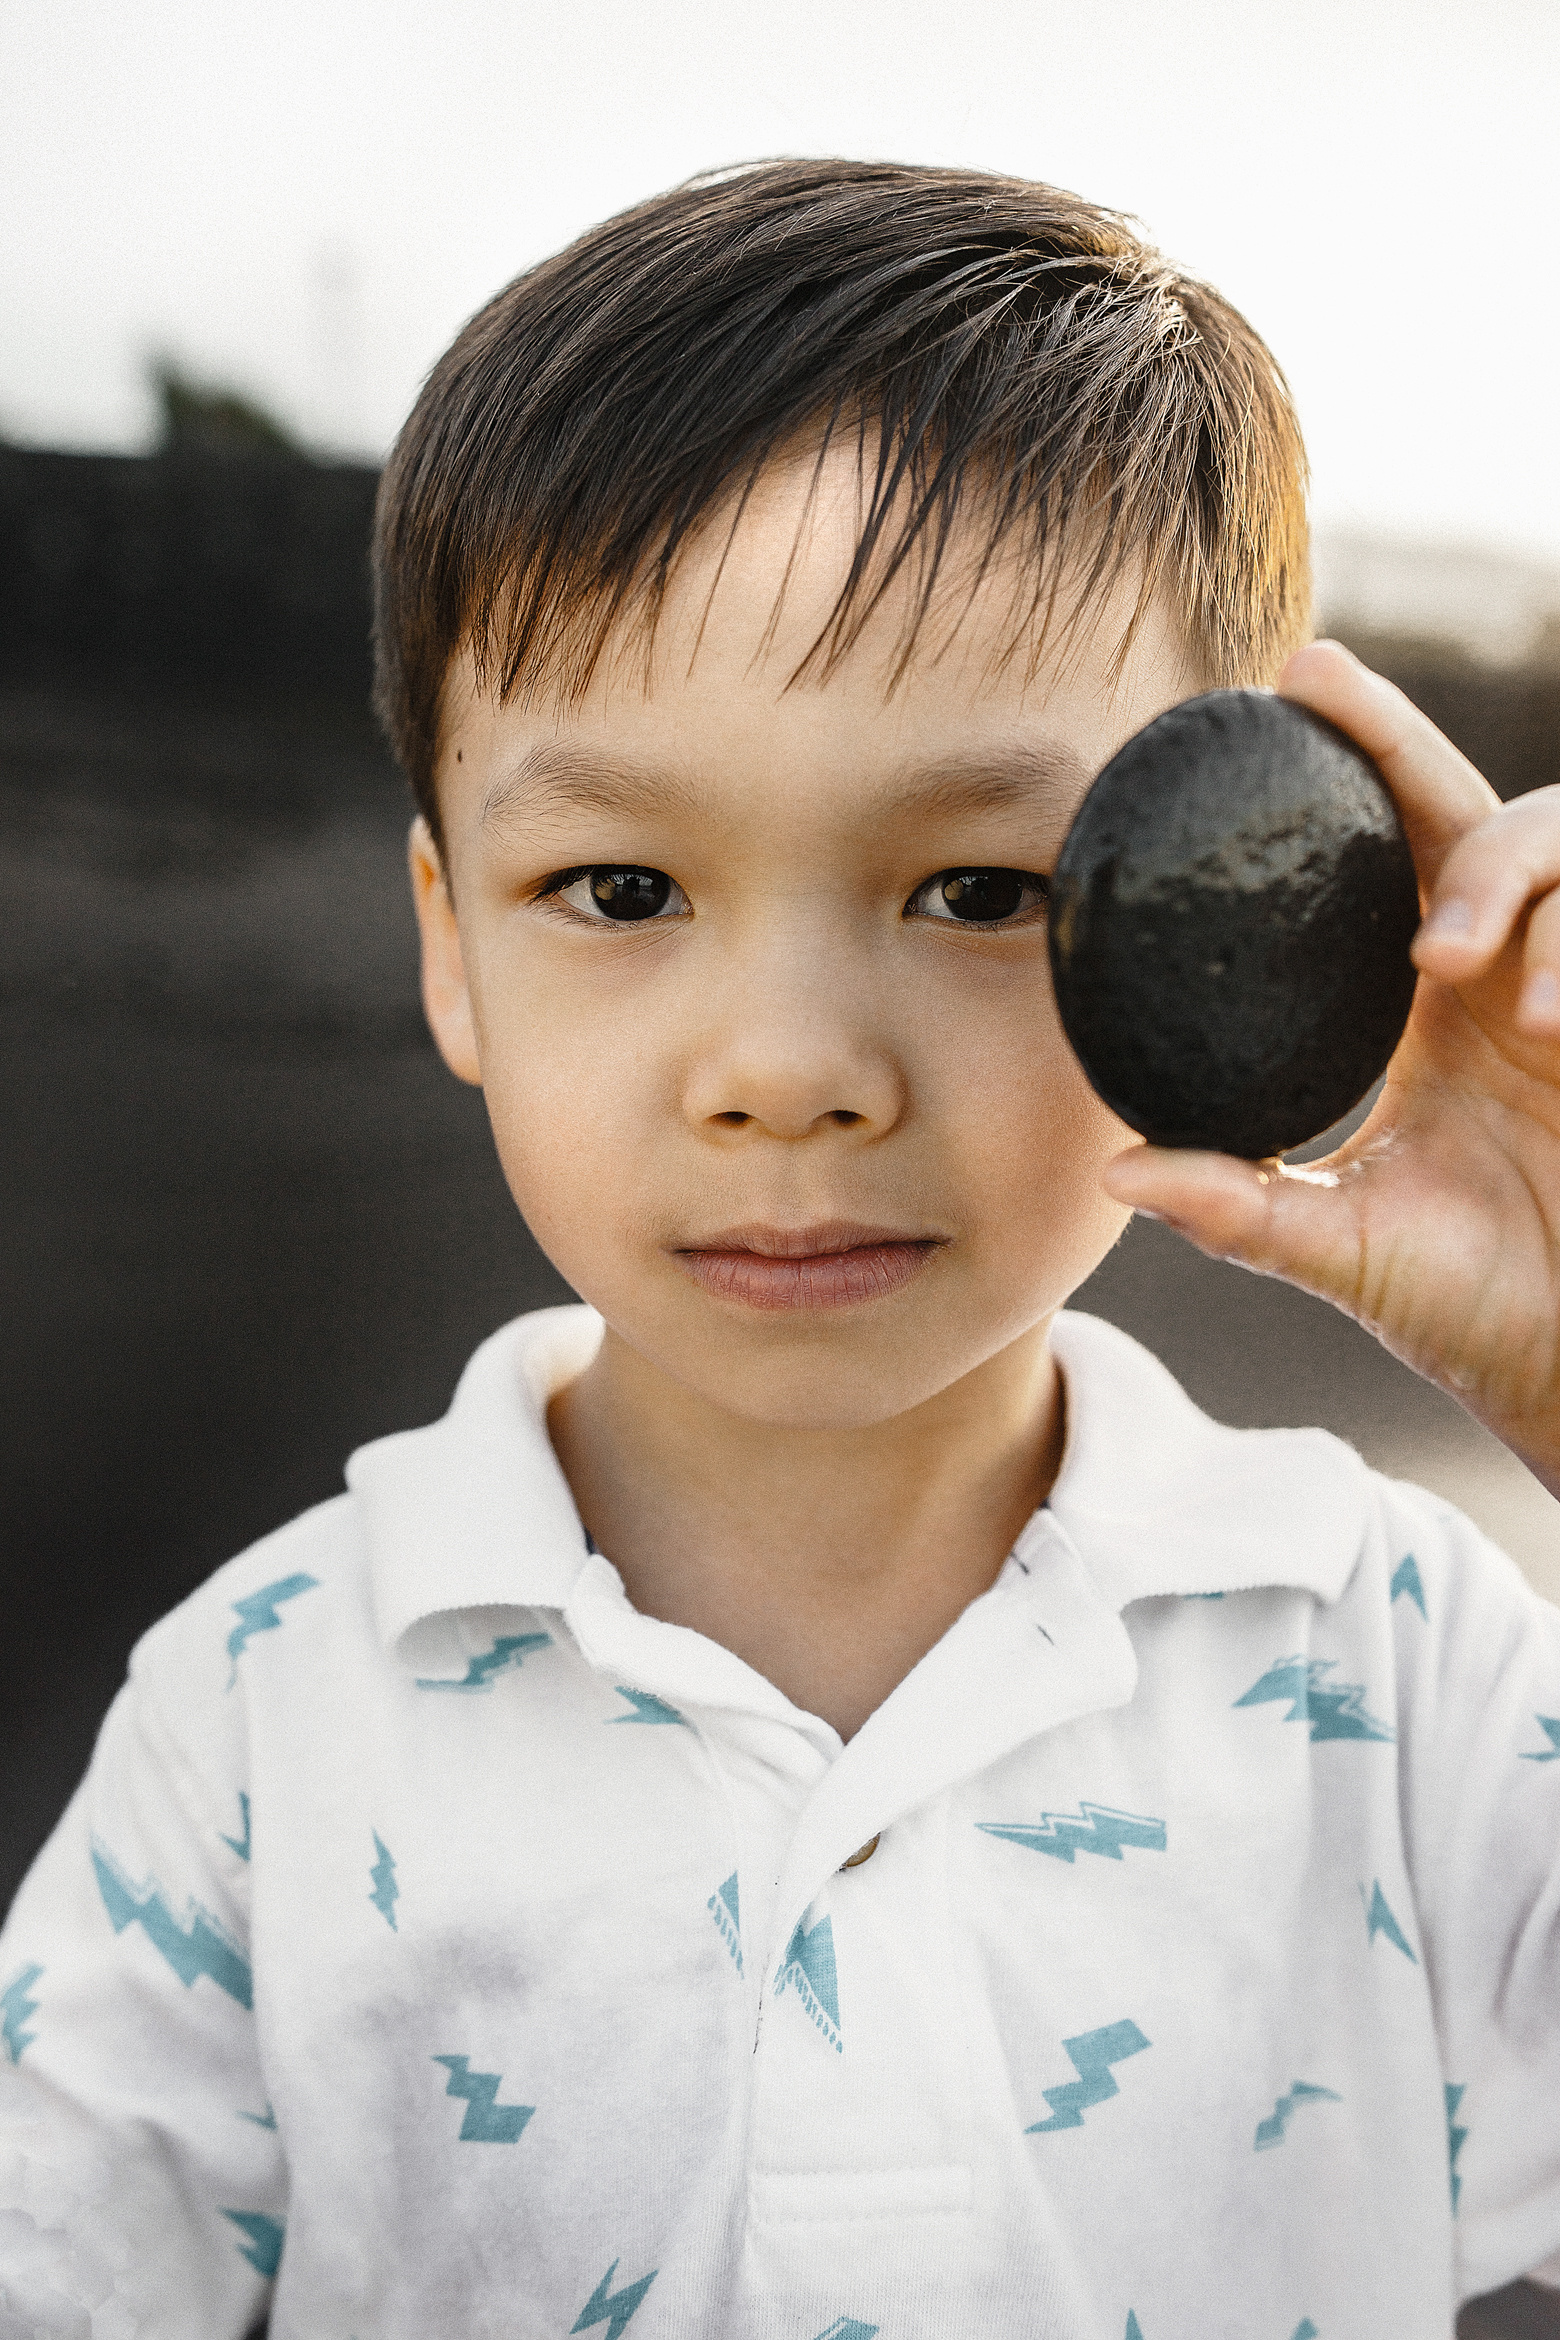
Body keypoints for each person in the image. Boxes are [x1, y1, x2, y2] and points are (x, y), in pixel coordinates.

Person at [3, 159, 1559, 2340]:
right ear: (453, 951)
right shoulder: (264, 1720)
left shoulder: (1409, 1678)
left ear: (1264, 935)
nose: (794, 1071)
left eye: (985, 891)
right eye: (626, 893)